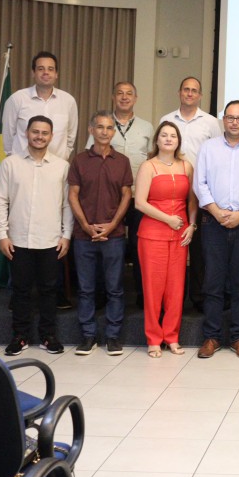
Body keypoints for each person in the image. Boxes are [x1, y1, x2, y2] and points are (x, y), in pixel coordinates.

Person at [0, 115, 72, 356]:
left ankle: (48, 336)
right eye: (35, 131)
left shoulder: (62, 166)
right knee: (20, 290)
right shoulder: (10, 164)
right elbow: (0, 200)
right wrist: (2, 234)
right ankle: (20, 336)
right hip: (18, 240)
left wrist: (67, 235)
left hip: (51, 240)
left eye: (44, 133)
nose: (40, 136)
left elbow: (67, 205)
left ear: (52, 136)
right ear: (27, 133)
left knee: (49, 290)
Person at [194, 101, 239, 359]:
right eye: (230, 117)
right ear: (223, 120)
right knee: (213, 281)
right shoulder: (208, 148)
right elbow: (200, 183)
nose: (235, 122)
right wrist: (215, 211)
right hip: (212, 222)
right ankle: (212, 337)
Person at [68, 111, 133, 356]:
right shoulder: (79, 160)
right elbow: (72, 195)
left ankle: (113, 336)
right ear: (91, 130)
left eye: (109, 128)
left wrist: (112, 224)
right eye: (100, 127)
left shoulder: (122, 161)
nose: (105, 132)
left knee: (115, 288)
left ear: (113, 132)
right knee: (86, 289)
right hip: (84, 236)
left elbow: (126, 195)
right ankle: (88, 336)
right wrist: (86, 226)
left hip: (113, 235)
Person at [87, 82, 154, 308]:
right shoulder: (102, 125)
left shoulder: (147, 127)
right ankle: (102, 294)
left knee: (138, 246)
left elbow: (152, 159)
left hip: (138, 197)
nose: (124, 97)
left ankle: (142, 294)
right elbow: (90, 156)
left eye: (129, 94)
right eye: (120, 93)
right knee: (105, 246)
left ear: (136, 98)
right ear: (113, 97)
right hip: (107, 197)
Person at [159, 76, 221, 314]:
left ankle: (198, 296)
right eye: (186, 89)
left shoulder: (211, 122)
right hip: (170, 189)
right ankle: (170, 296)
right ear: (179, 92)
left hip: (199, 190)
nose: (190, 93)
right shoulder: (166, 120)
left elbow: (217, 155)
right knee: (172, 244)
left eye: (194, 90)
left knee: (198, 247)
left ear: (200, 95)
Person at [134, 121, 196, 358]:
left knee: (176, 289)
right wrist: (168, 219)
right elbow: (140, 203)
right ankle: (153, 339)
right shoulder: (148, 166)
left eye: (173, 136)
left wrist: (191, 225)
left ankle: (171, 337)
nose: (169, 139)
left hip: (180, 234)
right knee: (153, 288)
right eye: (164, 135)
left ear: (178, 141)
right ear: (157, 140)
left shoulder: (186, 166)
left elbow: (192, 201)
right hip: (152, 234)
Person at [3, 52, 78, 160]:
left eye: (50, 69)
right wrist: (15, 162)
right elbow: (8, 136)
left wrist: (63, 157)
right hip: (22, 164)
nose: (46, 72)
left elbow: (70, 137)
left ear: (56, 74)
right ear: (33, 73)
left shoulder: (68, 101)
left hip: (56, 166)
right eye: (41, 69)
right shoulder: (17, 99)